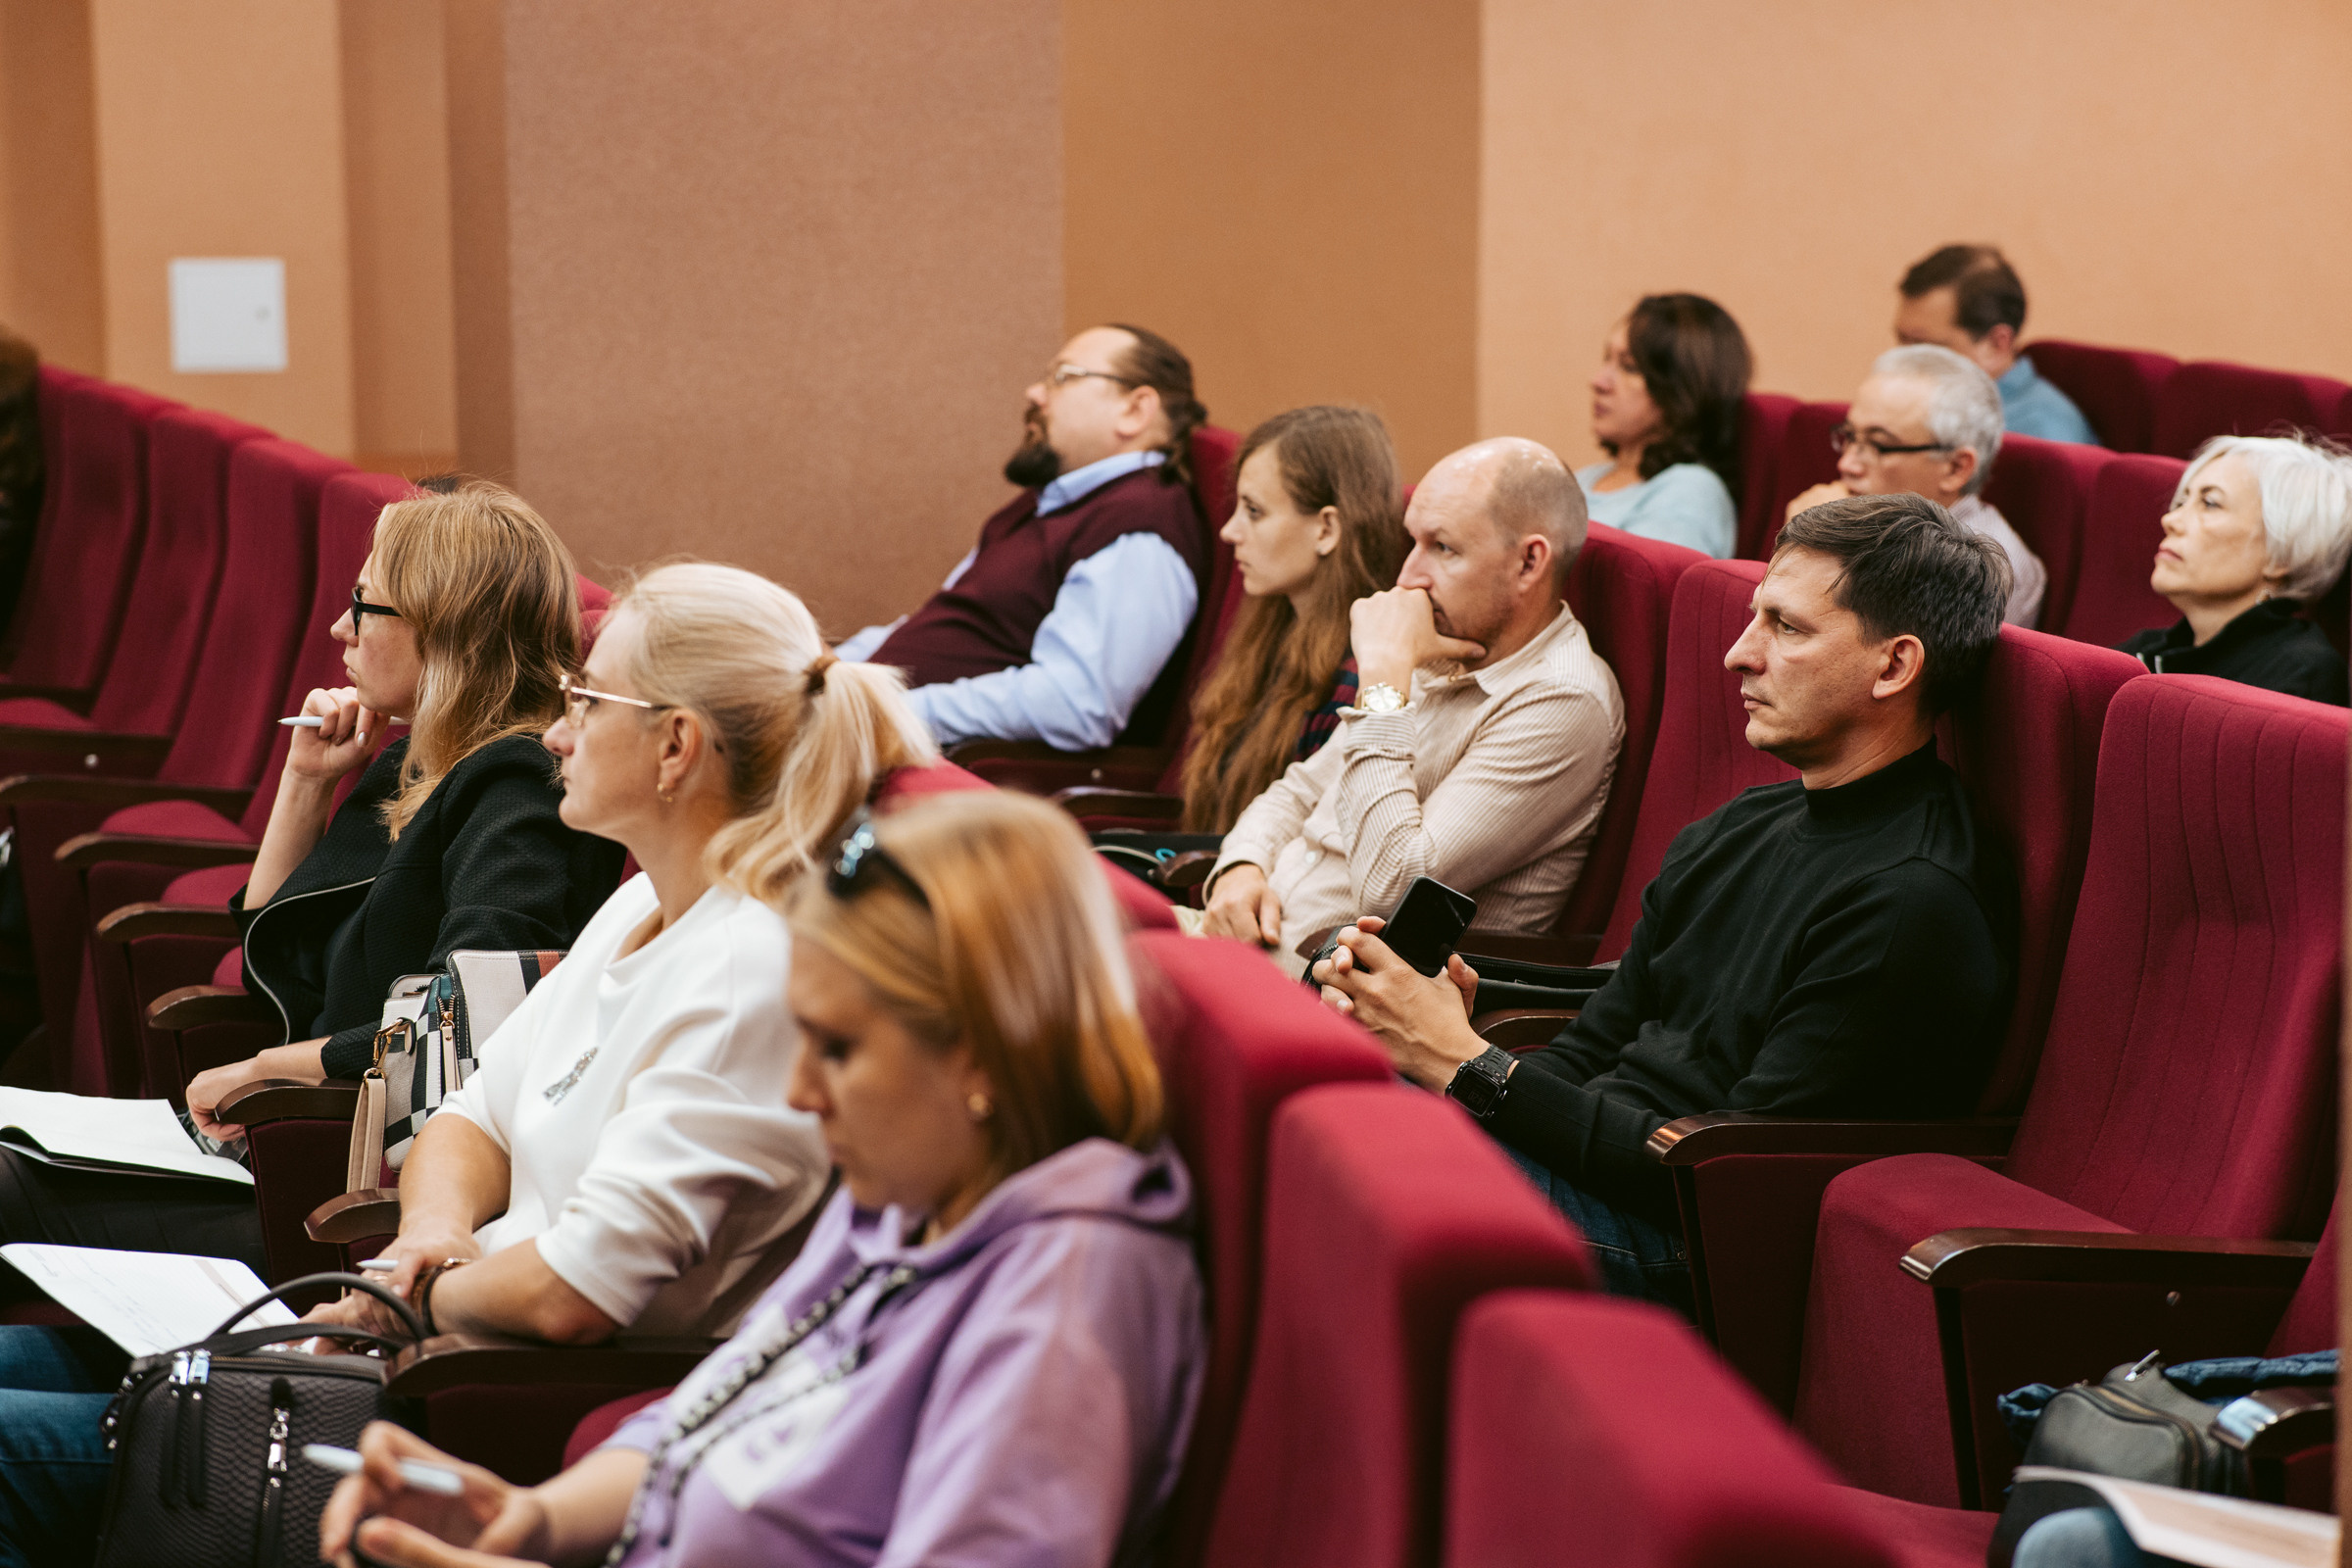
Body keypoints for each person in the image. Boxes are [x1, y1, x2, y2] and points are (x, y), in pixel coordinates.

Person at [0, 562, 940, 1568]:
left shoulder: (752, 973)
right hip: (405, 1339)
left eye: (585, 700)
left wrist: (412, 1292)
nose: (555, 730)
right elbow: (468, 1109)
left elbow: (569, 1294)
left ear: (676, 746)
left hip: (464, 1412)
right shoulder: (641, 904)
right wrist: (434, 1236)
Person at [316, 791, 1205, 1568]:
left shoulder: (1068, 1292)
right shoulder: (913, 1198)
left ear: (980, 1048)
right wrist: (530, 1521)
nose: (800, 1091)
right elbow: (709, 1412)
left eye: (840, 1050)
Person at [1313, 493, 2017, 1310]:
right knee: (1325, 1077)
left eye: (1786, 628)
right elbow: (1593, 1049)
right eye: (1756, 618)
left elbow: (1727, 1184)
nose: (1737, 655)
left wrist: (1465, 1065)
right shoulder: (1742, 826)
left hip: (1683, 1244)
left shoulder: (1912, 900)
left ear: (1894, 667)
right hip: (1598, 1174)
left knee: (1354, 1170)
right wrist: (1453, 1055)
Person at [0, 480, 624, 1274]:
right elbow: (277, 951)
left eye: (364, 607)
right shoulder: (422, 754)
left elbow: (471, 1023)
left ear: (440, 628)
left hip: (346, 1189)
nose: (339, 628)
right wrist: (305, 784)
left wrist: (268, 1069)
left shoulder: (515, 785)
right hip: (293, 1144)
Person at [1201, 437, 1624, 979]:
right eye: (1414, 542)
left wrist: (1383, 680)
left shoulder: (1563, 701)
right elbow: (1299, 790)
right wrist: (1242, 866)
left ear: (1528, 562)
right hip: (1252, 955)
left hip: (1335, 1001)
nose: (1408, 577)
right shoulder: (1443, 645)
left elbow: (1394, 884)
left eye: (1443, 548)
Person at [837, 324, 1211, 751]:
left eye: (1062, 377)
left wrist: (884, 714)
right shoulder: (1049, 503)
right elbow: (943, 624)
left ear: (1135, 410)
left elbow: (1074, 703)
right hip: (873, 741)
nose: (1035, 393)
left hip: (954, 782)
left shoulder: (1140, 527)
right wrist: (833, 674)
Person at [1174, 404, 1407, 833]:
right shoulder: (1271, 630)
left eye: (1254, 512)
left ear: (1326, 530)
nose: (1230, 531)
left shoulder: (1359, 679)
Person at [1787, 344, 2047, 626]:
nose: (1847, 464)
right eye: (1850, 436)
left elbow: (1874, 664)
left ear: (1955, 468)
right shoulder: (1889, 534)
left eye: (1880, 445)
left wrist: (1816, 549)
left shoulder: (1980, 570)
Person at [2119, 432, 2352, 705]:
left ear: (2282, 555)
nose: (2170, 520)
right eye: (2182, 502)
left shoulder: (2300, 675)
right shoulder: (2144, 651)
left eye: (2210, 503)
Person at [1578, 293, 1750, 559]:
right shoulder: (1584, 478)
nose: (1599, 381)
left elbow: (1644, 594)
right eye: (1606, 359)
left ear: (1681, 390)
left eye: (1629, 367)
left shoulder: (1690, 492)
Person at [1895, 243, 2099, 446]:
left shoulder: (2041, 435)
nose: (1903, 364)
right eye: (1902, 341)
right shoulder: (1930, 408)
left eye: (1926, 349)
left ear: (1996, 345)